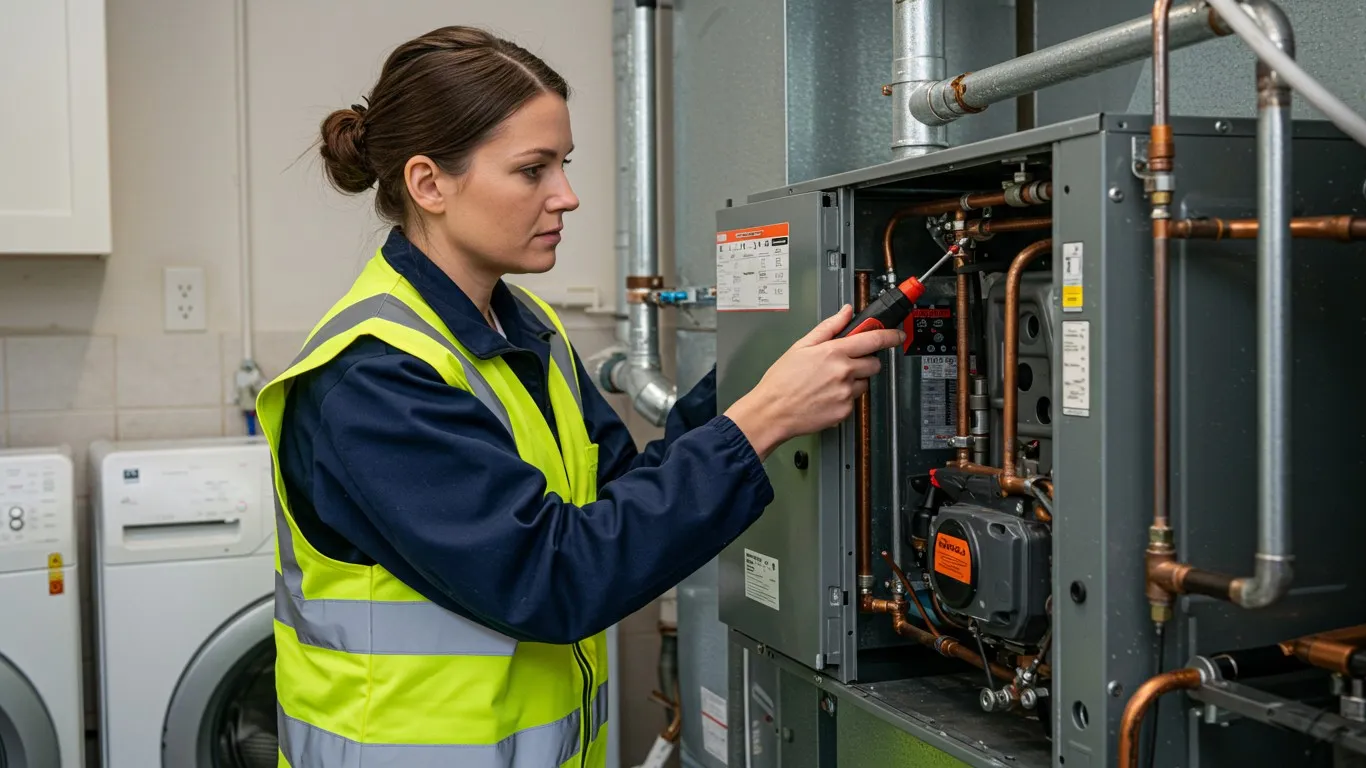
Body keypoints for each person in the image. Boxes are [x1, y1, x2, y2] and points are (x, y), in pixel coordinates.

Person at [255, 25, 902, 768]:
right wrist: (759, 423)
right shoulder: (373, 377)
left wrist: (758, 375)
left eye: (564, 164)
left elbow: (617, 496)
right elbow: (553, 578)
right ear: (429, 183)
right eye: (533, 170)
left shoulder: (525, 328)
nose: (568, 196)